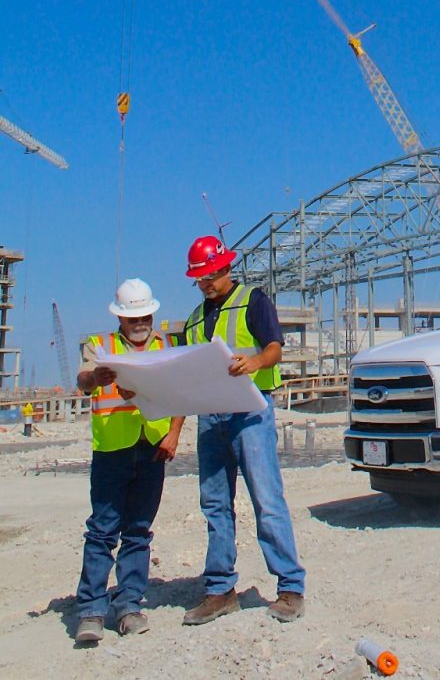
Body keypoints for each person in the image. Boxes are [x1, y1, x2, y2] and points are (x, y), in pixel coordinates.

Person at [166, 235, 306, 626]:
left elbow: (275, 347)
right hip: (210, 417)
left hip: (250, 412)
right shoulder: (194, 320)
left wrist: (256, 361)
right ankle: (220, 591)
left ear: (226, 268)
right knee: (214, 504)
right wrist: (175, 429)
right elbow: (187, 379)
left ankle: (290, 587)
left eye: (211, 275)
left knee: (267, 498)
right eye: (200, 278)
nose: (207, 282)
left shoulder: (253, 301)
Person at [74, 278, 176, 643]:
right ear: (120, 318)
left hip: (152, 445)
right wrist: (94, 378)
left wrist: (174, 434)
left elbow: (179, 395)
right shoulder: (101, 346)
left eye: (145, 315)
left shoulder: (166, 345)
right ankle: (91, 610)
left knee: (137, 531)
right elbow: (83, 379)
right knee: (102, 530)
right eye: (134, 317)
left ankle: (129, 604)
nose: (140, 322)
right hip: (112, 449)